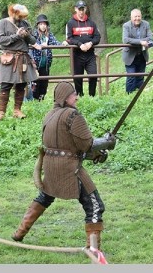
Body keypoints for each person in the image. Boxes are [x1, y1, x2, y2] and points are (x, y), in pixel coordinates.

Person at [12, 82, 116, 251]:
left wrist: (98, 150)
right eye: (74, 94)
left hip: (51, 166)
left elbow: (66, 146)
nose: (77, 97)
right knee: (95, 205)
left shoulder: (49, 115)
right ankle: (94, 249)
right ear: (66, 97)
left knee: (45, 197)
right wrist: (107, 141)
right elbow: (86, 144)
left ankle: (19, 233)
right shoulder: (73, 116)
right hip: (69, 169)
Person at [0, 4, 37, 120]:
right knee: (5, 85)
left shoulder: (26, 24)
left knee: (21, 85)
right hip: (9, 58)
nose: (22, 19)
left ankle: (17, 110)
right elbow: (0, 40)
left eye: (23, 17)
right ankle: (1, 112)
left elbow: (33, 40)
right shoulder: (2, 23)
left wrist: (26, 35)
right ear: (13, 13)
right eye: (20, 16)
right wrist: (16, 36)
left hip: (23, 57)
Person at [66, 0, 101, 97]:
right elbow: (69, 38)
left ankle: (92, 97)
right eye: (79, 9)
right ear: (75, 9)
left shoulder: (91, 23)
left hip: (90, 55)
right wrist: (80, 44)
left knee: (93, 75)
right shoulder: (70, 23)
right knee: (77, 78)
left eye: (83, 9)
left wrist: (91, 43)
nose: (81, 11)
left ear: (85, 9)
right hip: (77, 55)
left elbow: (97, 37)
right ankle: (79, 97)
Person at [121, 9, 153, 94]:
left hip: (142, 55)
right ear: (131, 17)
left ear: (141, 16)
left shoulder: (146, 24)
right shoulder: (126, 26)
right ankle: (129, 96)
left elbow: (150, 39)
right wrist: (141, 42)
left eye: (139, 16)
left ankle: (140, 95)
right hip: (130, 56)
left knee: (140, 76)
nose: (137, 18)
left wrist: (136, 41)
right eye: (135, 16)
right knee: (131, 77)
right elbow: (126, 40)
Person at [29, 14, 60, 101]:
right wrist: (38, 45)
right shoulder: (34, 35)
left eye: (44, 24)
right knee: (35, 83)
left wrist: (64, 43)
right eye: (41, 24)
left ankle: (41, 99)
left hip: (46, 63)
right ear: (38, 25)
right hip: (36, 63)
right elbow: (29, 43)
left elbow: (55, 42)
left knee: (44, 83)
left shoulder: (49, 35)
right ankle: (35, 100)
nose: (43, 26)